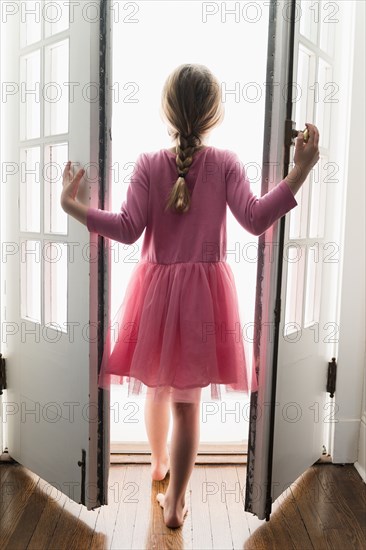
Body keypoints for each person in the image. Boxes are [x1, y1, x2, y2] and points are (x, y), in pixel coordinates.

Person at [61, 63, 320, 529]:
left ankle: (159, 465)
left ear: (167, 109)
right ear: (213, 114)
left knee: (157, 388)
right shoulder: (223, 163)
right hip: (204, 298)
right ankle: (176, 500)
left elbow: (125, 229)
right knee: (187, 403)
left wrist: (71, 205)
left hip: (156, 293)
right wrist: (299, 171)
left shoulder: (147, 163)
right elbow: (257, 219)